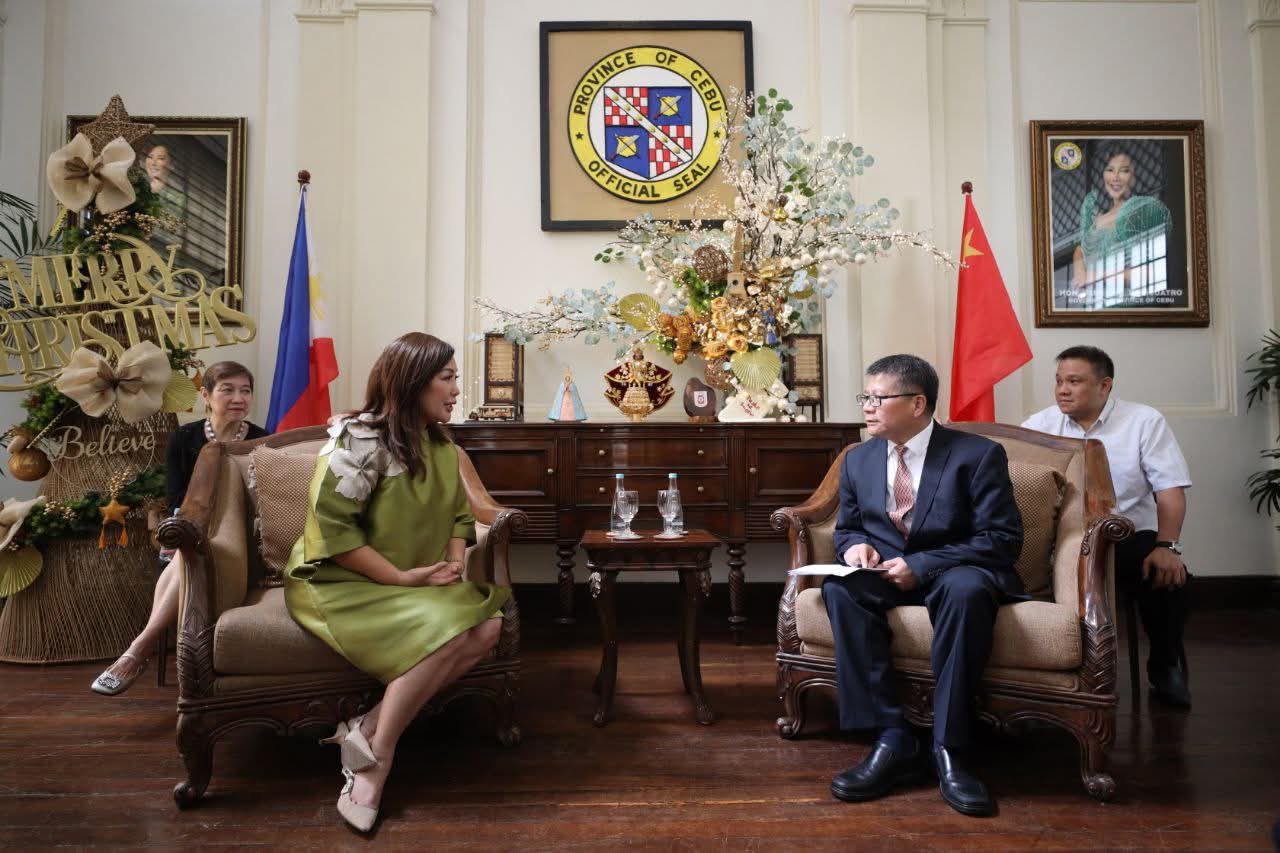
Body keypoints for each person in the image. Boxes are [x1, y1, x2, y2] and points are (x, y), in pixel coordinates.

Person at [283, 332, 510, 832]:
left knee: (490, 626)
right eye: (447, 378)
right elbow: (334, 532)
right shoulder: (356, 441)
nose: (456, 390)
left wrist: (453, 563)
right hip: (337, 581)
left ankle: (365, 726)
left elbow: (459, 516)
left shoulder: (443, 447)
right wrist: (402, 577)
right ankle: (376, 759)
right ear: (413, 382)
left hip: (409, 581)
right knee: (454, 630)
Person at [823, 354, 1024, 818]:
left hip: (956, 568)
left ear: (917, 403)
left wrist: (922, 564)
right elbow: (847, 529)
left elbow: (1001, 539)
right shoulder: (858, 460)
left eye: (879, 398)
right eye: (865, 396)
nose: (867, 406)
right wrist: (855, 548)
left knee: (966, 592)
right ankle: (892, 738)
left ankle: (950, 747)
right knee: (841, 589)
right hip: (886, 572)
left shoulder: (977, 455)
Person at [1022, 345, 1192, 707]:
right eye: (1058, 381)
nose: (1062, 390)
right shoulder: (1038, 427)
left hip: (1126, 537)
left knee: (1166, 575)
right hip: (1059, 541)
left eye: (1074, 381)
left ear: (1104, 385)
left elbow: (1170, 490)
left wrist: (1168, 547)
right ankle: (1041, 677)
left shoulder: (1143, 421)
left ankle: (1165, 666)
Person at [90, 362, 267, 696]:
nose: (238, 398)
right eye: (227, 390)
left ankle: (138, 649)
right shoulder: (184, 438)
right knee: (188, 553)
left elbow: (263, 500)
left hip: (243, 534)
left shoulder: (263, 439)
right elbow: (176, 498)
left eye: (245, 391)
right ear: (206, 395)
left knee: (187, 555)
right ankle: (141, 647)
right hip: (192, 527)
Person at [1069, 144, 1172, 297]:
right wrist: (1080, 273)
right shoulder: (1098, 219)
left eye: (1124, 171)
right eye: (1110, 170)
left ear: (1134, 178)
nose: (1115, 177)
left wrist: (1095, 276)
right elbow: (1079, 250)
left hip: (1132, 301)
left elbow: (1154, 270)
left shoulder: (1143, 210)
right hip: (1096, 304)